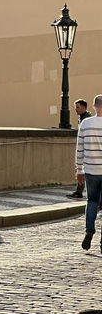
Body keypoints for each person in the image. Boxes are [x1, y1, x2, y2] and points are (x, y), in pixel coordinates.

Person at [76, 93, 102, 251]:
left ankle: (89, 230)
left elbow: (79, 149)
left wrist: (79, 170)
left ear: (93, 107)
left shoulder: (85, 123)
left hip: (91, 170)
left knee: (92, 201)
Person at [69, 99, 93, 198]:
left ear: (84, 107)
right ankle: (79, 191)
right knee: (81, 170)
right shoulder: (82, 118)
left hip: (86, 149)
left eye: (78, 107)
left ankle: (80, 192)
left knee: (82, 170)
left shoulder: (87, 119)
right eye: (75, 107)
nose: (76, 109)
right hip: (84, 147)